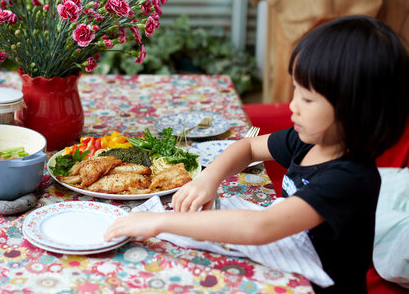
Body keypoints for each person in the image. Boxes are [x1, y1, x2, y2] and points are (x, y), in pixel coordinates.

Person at [105, 15, 409, 293]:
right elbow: (248, 146)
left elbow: (260, 227)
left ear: (355, 111)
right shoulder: (311, 139)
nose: (293, 105)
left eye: (307, 97)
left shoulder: (349, 178)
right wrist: (208, 179)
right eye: (295, 90)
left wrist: (159, 223)